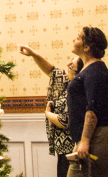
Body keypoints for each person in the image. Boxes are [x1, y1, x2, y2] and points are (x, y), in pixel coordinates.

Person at [67, 27, 108, 177]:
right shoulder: (87, 70)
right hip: (95, 136)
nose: (74, 40)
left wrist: (84, 141)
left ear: (87, 47)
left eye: (78, 38)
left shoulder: (96, 69)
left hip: (102, 136)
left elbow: (93, 107)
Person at [19, 45, 84, 177]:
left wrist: (48, 113)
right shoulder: (66, 81)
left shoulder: (79, 90)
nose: (68, 66)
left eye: (71, 65)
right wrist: (33, 54)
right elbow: (51, 70)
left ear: (79, 73)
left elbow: (65, 121)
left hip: (72, 148)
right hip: (62, 149)